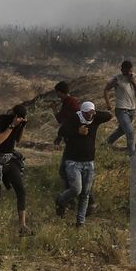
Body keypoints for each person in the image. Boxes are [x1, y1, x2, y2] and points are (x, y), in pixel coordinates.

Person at [55, 101, 112, 227]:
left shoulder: (95, 119)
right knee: (76, 189)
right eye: (88, 114)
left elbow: (108, 116)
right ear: (83, 113)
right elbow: (62, 132)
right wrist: (77, 132)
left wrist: (94, 112)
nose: (90, 116)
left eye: (92, 114)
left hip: (89, 162)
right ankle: (61, 200)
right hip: (73, 161)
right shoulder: (74, 119)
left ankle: (80, 222)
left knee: (85, 193)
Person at [0, 104, 32, 237]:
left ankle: (22, 226)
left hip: (9, 159)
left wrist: (21, 127)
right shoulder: (1, 120)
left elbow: (18, 140)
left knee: (21, 191)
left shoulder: (17, 124)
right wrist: (12, 125)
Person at [53, 81, 95, 214]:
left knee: (66, 171)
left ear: (60, 92)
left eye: (57, 93)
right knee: (69, 173)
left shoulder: (70, 103)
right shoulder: (71, 102)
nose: (57, 95)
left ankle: (69, 200)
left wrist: (54, 109)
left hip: (74, 143)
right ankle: (73, 200)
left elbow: (62, 120)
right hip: (72, 139)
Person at [103, 60, 136, 156]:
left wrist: (132, 81)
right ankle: (132, 156)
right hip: (121, 110)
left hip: (132, 110)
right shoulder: (117, 78)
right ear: (122, 70)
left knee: (121, 130)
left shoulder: (134, 77)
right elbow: (106, 90)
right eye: (126, 71)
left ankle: (104, 144)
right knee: (130, 133)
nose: (128, 73)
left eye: (130, 70)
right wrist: (108, 104)